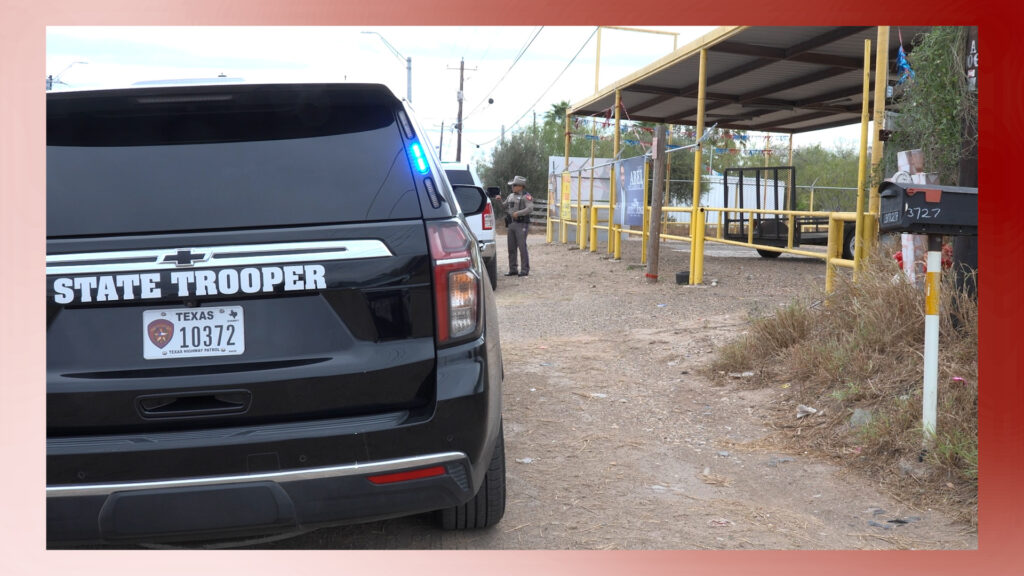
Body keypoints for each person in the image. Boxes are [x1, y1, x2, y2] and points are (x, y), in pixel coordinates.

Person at [502, 175, 533, 277]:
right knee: (511, 247)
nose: (513, 187)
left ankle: (524, 270)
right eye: (512, 185)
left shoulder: (526, 196)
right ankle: (513, 269)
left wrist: (518, 213)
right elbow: (504, 206)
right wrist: (498, 200)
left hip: (521, 224)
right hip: (511, 224)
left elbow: (530, 209)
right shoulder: (510, 196)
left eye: (514, 185)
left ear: (520, 186)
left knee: (522, 247)